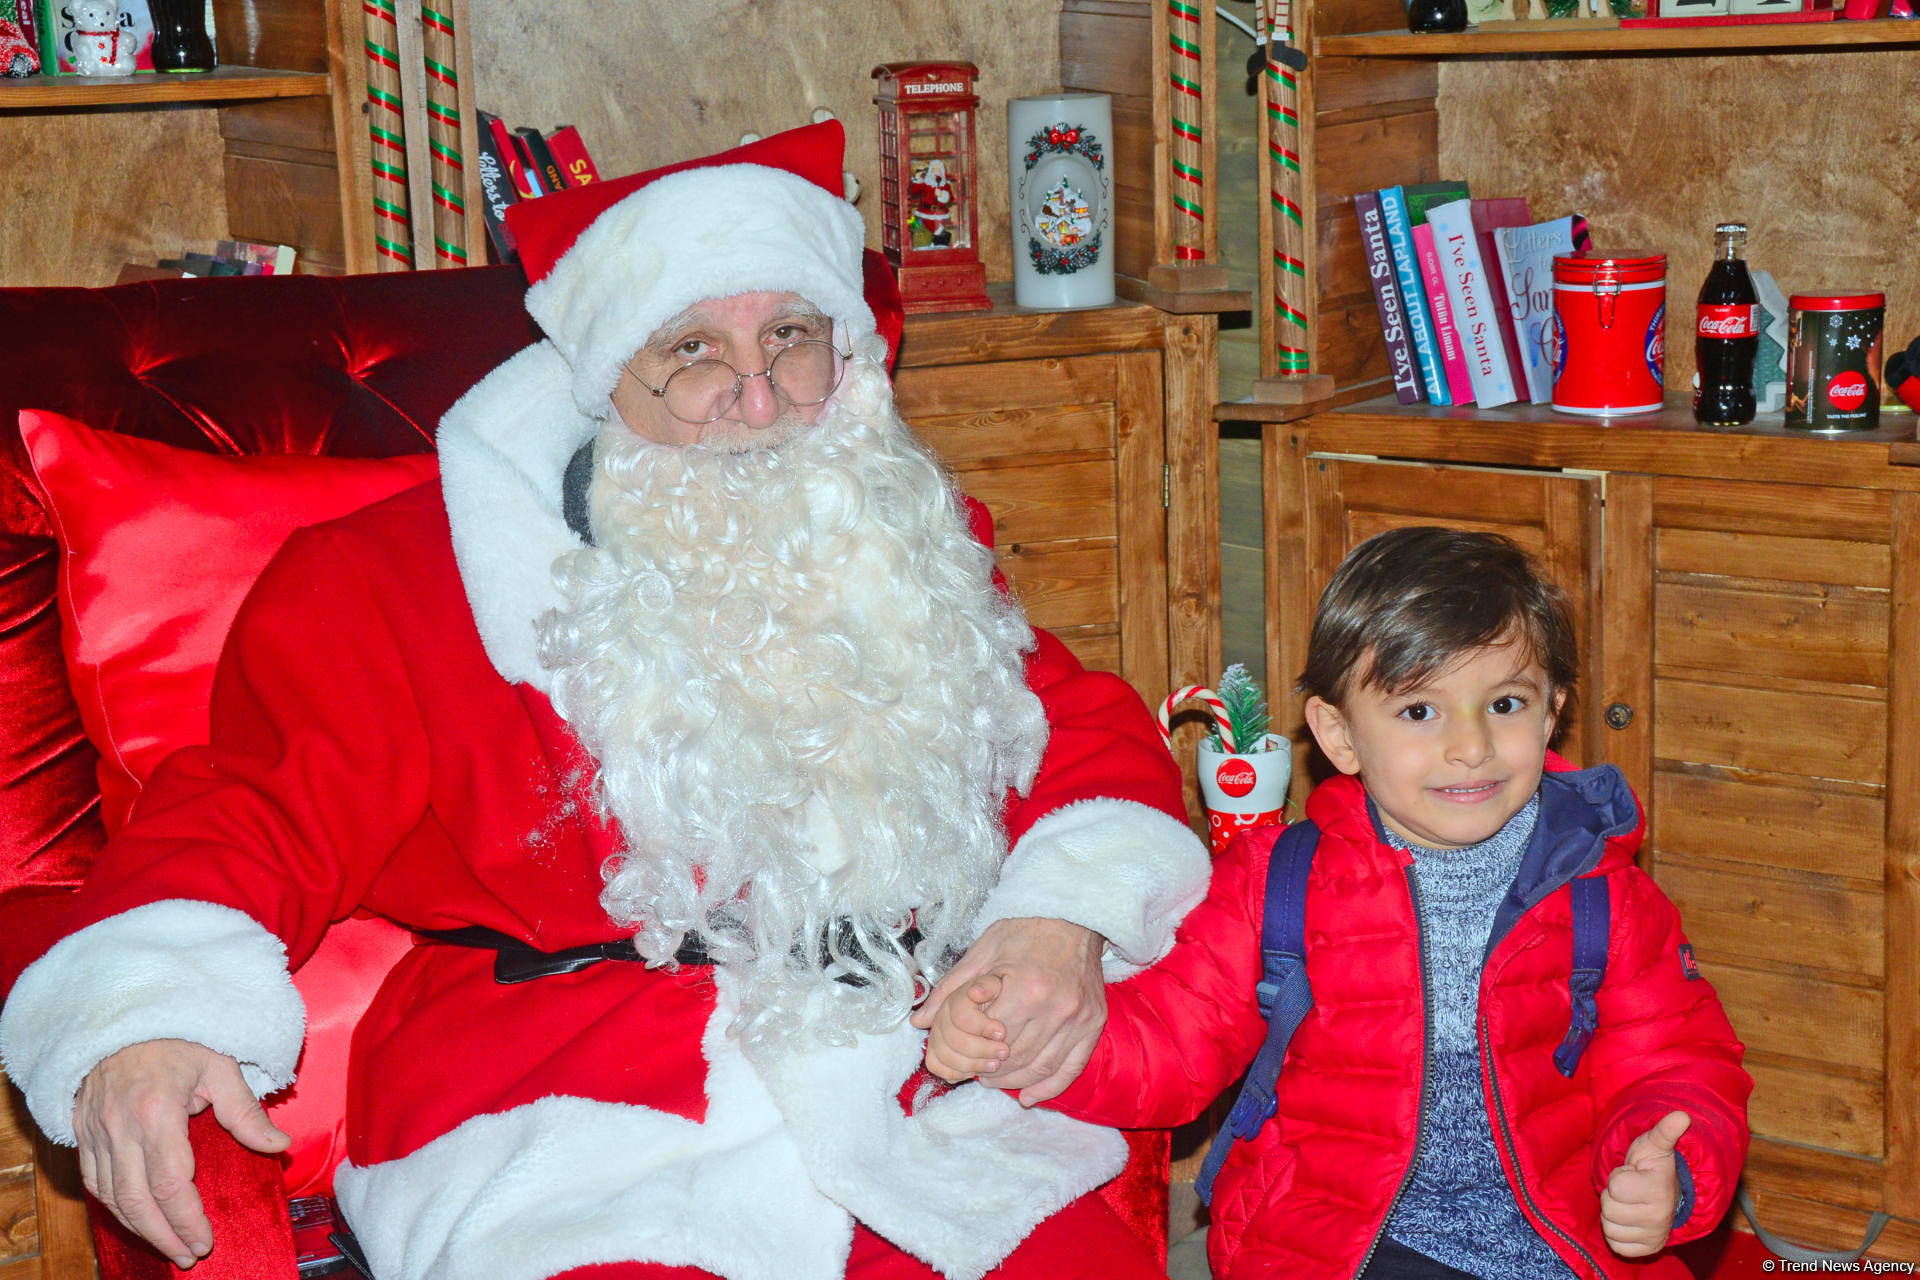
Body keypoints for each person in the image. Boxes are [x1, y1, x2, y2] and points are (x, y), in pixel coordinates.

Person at [0, 126, 1209, 1280]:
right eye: (690, 351)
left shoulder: (896, 544)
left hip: (900, 1066)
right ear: (601, 379)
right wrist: (141, 1013)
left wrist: (1063, 916)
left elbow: (1074, 727)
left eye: (790, 335)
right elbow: (247, 813)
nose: (756, 399)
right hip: (561, 1091)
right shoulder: (400, 579)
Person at [928, 527, 1753, 1280]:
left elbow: (1678, 1061)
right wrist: (1023, 1039)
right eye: (1419, 711)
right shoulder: (1279, 881)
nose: (1470, 745)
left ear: (1552, 714)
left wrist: (1672, 1166)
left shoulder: (1604, 893)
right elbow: (1173, 1043)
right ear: (1338, 734)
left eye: (1505, 704)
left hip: (1558, 1236)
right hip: (1344, 1241)